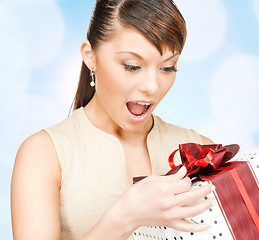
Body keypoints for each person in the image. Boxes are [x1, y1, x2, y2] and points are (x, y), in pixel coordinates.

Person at [11, 0, 215, 239]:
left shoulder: (201, 150)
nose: (152, 86)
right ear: (90, 56)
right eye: (132, 66)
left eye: (168, 68)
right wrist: (126, 216)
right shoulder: (45, 154)